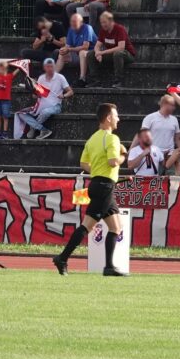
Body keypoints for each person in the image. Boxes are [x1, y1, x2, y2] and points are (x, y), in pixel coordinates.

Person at [52, 103, 127, 277]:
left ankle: (109, 266)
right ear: (108, 118)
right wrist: (123, 154)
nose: (118, 119)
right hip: (105, 186)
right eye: (116, 116)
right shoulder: (112, 139)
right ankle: (62, 258)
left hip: (97, 184)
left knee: (116, 226)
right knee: (87, 226)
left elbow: (83, 164)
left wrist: (98, 171)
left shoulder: (92, 139)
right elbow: (113, 162)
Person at [16, 58, 72, 140]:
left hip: (55, 106)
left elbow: (70, 91)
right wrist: (35, 93)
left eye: (51, 66)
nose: (49, 69)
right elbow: (36, 95)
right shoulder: (41, 78)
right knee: (20, 113)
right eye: (47, 67)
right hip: (40, 105)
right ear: (44, 68)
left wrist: (63, 95)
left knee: (45, 112)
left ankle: (33, 127)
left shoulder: (60, 77)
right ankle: (43, 129)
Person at [92, 10, 134, 88]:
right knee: (90, 54)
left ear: (111, 21)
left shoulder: (119, 29)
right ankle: (95, 80)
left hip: (126, 54)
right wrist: (97, 53)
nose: (103, 24)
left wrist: (102, 53)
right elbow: (97, 46)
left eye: (105, 22)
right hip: (111, 54)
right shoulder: (103, 31)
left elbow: (121, 47)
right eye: (101, 23)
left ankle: (118, 80)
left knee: (118, 53)